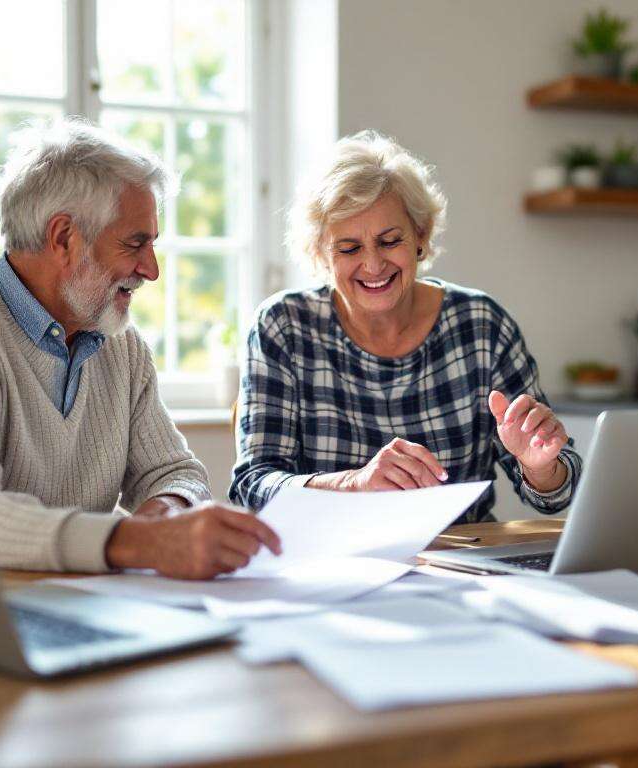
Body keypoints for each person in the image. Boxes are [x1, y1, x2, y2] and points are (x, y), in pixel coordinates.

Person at [0, 119, 279, 579]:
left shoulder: (120, 345)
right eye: (135, 243)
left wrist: (168, 510)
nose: (152, 269)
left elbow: (175, 471)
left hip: (44, 604)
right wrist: (135, 542)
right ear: (63, 237)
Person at [230, 131, 581, 522]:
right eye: (348, 248)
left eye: (389, 240)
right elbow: (253, 486)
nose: (374, 265)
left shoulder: (481, 326)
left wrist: (539, 465)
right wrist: (353, 484)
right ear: (319, 254)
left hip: (460, 561)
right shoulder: (283, 327)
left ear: (420, 235)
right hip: (331, 564)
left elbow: (556, 495)